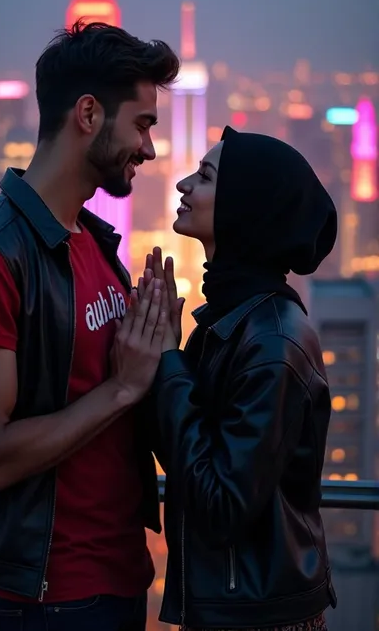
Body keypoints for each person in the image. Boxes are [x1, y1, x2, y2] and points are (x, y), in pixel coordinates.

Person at [0, 20, 180, 631]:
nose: (148, 149)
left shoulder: (91, 244)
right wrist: (122, 387)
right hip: (53, 599)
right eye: (141, 125)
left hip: (118, 580)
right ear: (88, 114)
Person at [146, 126, 339, 631]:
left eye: (205, 177)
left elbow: (221, 505)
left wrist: (168, 362)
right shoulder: (233, 322)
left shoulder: (271, 344)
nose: (183, 184)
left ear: (244, 209)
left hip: (259, 616)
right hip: (238, 607)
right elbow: (196, 458)